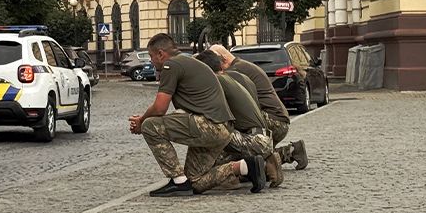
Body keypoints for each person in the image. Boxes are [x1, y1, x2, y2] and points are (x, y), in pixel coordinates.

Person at [129, 34, 265, 196]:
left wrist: (140, 121)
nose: (151, 61)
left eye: (151, 56)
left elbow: (160, 108)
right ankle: (245, 166)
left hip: (209, 125)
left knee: (150, 126)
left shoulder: (170, 65)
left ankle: (177, 181)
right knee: (195, 182)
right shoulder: (189, 61)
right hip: (223, 128)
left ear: (160, 53)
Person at [209, 44, 307, 170]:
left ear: (223, 59)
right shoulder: (241, 65)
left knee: (235, 157)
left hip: (272, 120)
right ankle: (292, 151)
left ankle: (271, 161)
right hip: (277, 118)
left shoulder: (233, 72)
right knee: (248, 154)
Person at [195, 50, 279, 188]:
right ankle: (265, 161)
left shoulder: (216, 83)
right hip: (265, 136)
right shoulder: (238, 77)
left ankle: (254, 168)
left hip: (252, 140)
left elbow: (212, 116)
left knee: (213, 133)